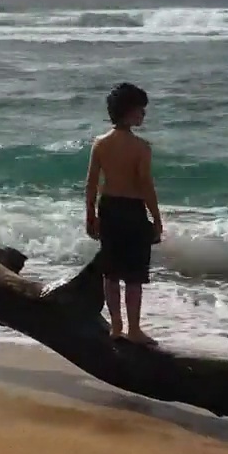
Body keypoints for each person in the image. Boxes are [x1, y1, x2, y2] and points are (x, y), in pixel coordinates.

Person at [84, 82, 163, 346]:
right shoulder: (141, 147)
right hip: (132, 212)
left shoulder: (100, 143)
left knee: (111, 272)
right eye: (141, 110)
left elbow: (91, 183)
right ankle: (134, 329)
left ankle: (116, 326)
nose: (143, 115)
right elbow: (145, 185)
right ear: (129, 112)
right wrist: (156, 217)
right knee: (133, 275)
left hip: (108, 209)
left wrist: (90, 215)